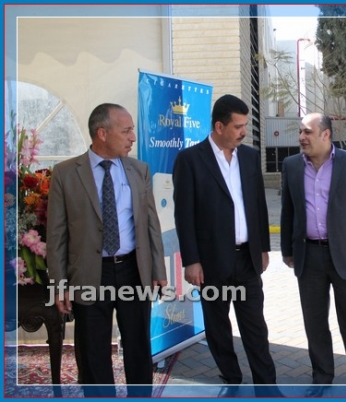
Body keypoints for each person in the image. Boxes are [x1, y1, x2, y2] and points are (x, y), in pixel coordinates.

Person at [46, 103, 168, 397]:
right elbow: (57, 235)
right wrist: (59, 284)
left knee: (138, 346)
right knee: (92, 350)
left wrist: (158, 269)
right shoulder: (65, 174)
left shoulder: (139, 170)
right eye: (126, 131)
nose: (132, 137)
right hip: (89, 273)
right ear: (102, 133)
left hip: (133, 270)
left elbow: (151, 224)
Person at [172, 94, 280, 397]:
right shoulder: (190, 160)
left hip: (247, 259)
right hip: (210, 263)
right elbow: (184, 215)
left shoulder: (249, 157)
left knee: (255, 326)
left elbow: (257, 205)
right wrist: (191, 260)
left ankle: (267, 388)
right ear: (219, 127)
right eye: (238, 126)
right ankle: (231, 378)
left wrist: (263, 248)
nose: (244, 131)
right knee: (218, 327)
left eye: (245, 125)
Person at [280, 113, 346, 397]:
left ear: (325, 135)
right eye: (301, 132)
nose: (301, 137)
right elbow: (288, 211)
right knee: (314, 321)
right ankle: (322, 374)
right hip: (308, 255)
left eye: (307, 132)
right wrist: (287, 249)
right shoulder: (291, 165)